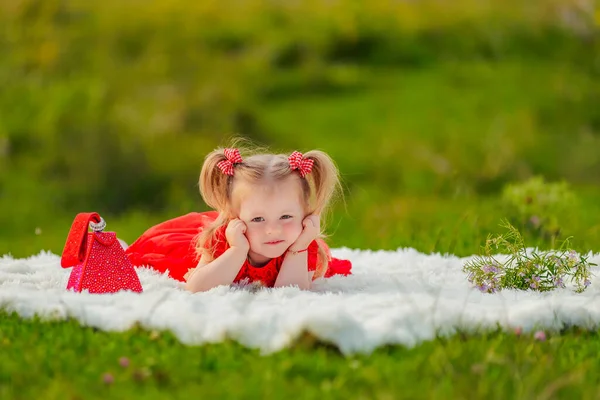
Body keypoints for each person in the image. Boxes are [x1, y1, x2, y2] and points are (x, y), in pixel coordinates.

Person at [125, 144, 352, 292]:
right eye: (258, 219)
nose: (273, 230)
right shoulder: (222, 240)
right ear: (235, 216)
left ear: (304, 213)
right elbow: (195, 288)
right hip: (207, 241)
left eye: (285, 216)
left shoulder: (302, 244)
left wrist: (299, 247)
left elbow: (291, 293)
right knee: (158, 254)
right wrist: (237, 250)